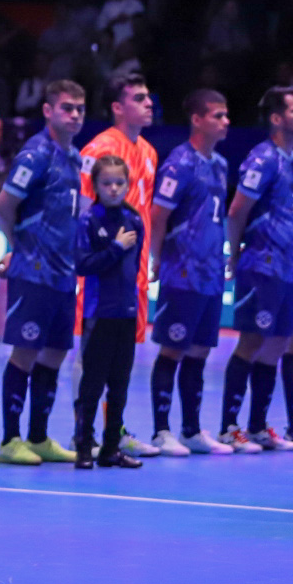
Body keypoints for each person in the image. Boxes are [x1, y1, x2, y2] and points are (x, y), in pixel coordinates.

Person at [0, 80, 87, 465]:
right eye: (67, 108)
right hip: (34, 272)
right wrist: (17, 248)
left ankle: (39, 437)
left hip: (64, 274)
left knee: (55, 353)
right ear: (48, 111)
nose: (75, 115)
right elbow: (3, 205)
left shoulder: (75, 156)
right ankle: (10, 440)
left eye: (80, 108)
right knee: (26, 352)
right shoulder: (35, 155)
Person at [80, 75, 162, 459]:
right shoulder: (100, 148)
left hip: (134, 270)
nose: (149, 104)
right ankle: (87, 435)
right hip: (102, 267)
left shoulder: (148, 150)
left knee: (123, 361)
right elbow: (82, 209)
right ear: (117, 107)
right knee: (96, 360)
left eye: (149, 98)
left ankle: (115, 433)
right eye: (139, 98)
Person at [225, 86, 293, 451]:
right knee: (251, 342)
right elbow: (237, 210)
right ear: (277, 118)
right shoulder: (262, 159)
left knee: (276, 344)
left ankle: (258, 426)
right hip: (261, 265)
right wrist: (234, 253)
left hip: (289, 269)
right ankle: (230, 427)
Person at [151, 90, 233, 455]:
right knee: (173, 349)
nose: (226, 121)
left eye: (226, 115)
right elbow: (158, 216)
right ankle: (160, 431)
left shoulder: (219, 164)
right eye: (217, 115)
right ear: (197, 120)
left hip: (211, 274)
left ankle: (191, 429)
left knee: (199, 351)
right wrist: (155, 258)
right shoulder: (178, 163)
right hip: (181, 272)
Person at [71, 155, 146, 469]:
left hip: (126, 314)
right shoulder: (89, 220)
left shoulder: (135, 220)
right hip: (99, 313)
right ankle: (85, 446)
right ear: (95, 186)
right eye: (107, 183)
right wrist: (114, 249)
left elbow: (134, 266)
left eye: (120, 183)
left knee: (120, 384)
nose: (114, 189)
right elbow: (83, 264)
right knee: (93, 383)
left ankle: (111, 448)